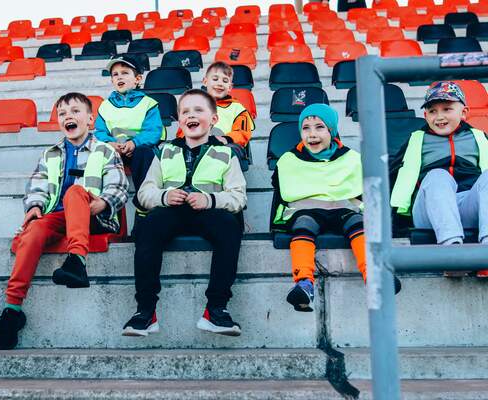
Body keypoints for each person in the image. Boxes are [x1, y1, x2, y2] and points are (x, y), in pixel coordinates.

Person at [0, 93, 129, 350]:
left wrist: (102, 203)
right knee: (33, 231)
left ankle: (76, 261)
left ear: (90, 119)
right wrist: (34, 206)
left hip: (93, 214)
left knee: (74, 192)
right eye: (62, 113)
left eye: (75, 111)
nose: (68, 116)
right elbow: (37, 186)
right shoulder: (50, 154)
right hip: (58, 216)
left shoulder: (105, 150)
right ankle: (12, 309)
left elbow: (119, 187)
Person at [122, 89, 247, 337]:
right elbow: (145, 192)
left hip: (208, 211)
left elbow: (238, 197)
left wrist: (209, 199)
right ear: (179, 120)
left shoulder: (227, 154)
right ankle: (145, 311)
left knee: (230, 226)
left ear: (213, 119)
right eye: (185, 111)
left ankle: (216, 309)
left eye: (199, 110)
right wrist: (165, 196)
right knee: (149, 226)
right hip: (172, 210)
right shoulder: (164, 151)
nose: (191, 115)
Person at [272, 104, 401, 312]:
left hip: (343, 207)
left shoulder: (351, 158)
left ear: (331, 131)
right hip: (306, 209)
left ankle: (375, 276)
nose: (312, 134)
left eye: (319, 127)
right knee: (303, 225)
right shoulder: (289, 160)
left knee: (358, 223)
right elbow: (285, 192)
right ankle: (304, 282)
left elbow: (361, 194)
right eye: (306, 128)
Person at [391, 81, 488, 278]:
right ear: (425, 115)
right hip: (429, 208)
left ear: (463, 112)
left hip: (466, 205)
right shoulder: (416, 139)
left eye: (447, 109)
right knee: (438, 175)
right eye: (432, 111)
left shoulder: (479, 137)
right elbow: (391, 175)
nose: (439, 116)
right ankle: (452, 255)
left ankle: (486, 254)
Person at [94, 55, 165, 207]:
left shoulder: (148, 104)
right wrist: (110, 143)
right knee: (97, 154)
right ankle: (99, 201)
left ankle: (144, 200)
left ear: (137, 79)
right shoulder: (105, 106)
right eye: (115, 74)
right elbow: (99, 132)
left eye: (125, 73)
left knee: (144, 153)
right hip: (114, 150)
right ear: (112, 80)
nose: (119, 77)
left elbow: (153, 132)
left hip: (139, 150)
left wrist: (134, 143)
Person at [176, 61, 255, 171]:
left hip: (225, 145)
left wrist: (225, 139)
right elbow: (183, 130)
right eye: (215, 79)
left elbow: (242, 133)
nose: (220, 83)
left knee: (230, 151)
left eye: (225, 81)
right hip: (196, 146)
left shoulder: (237, 108)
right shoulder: (193, 105)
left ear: (230, 87)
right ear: (205, 81)